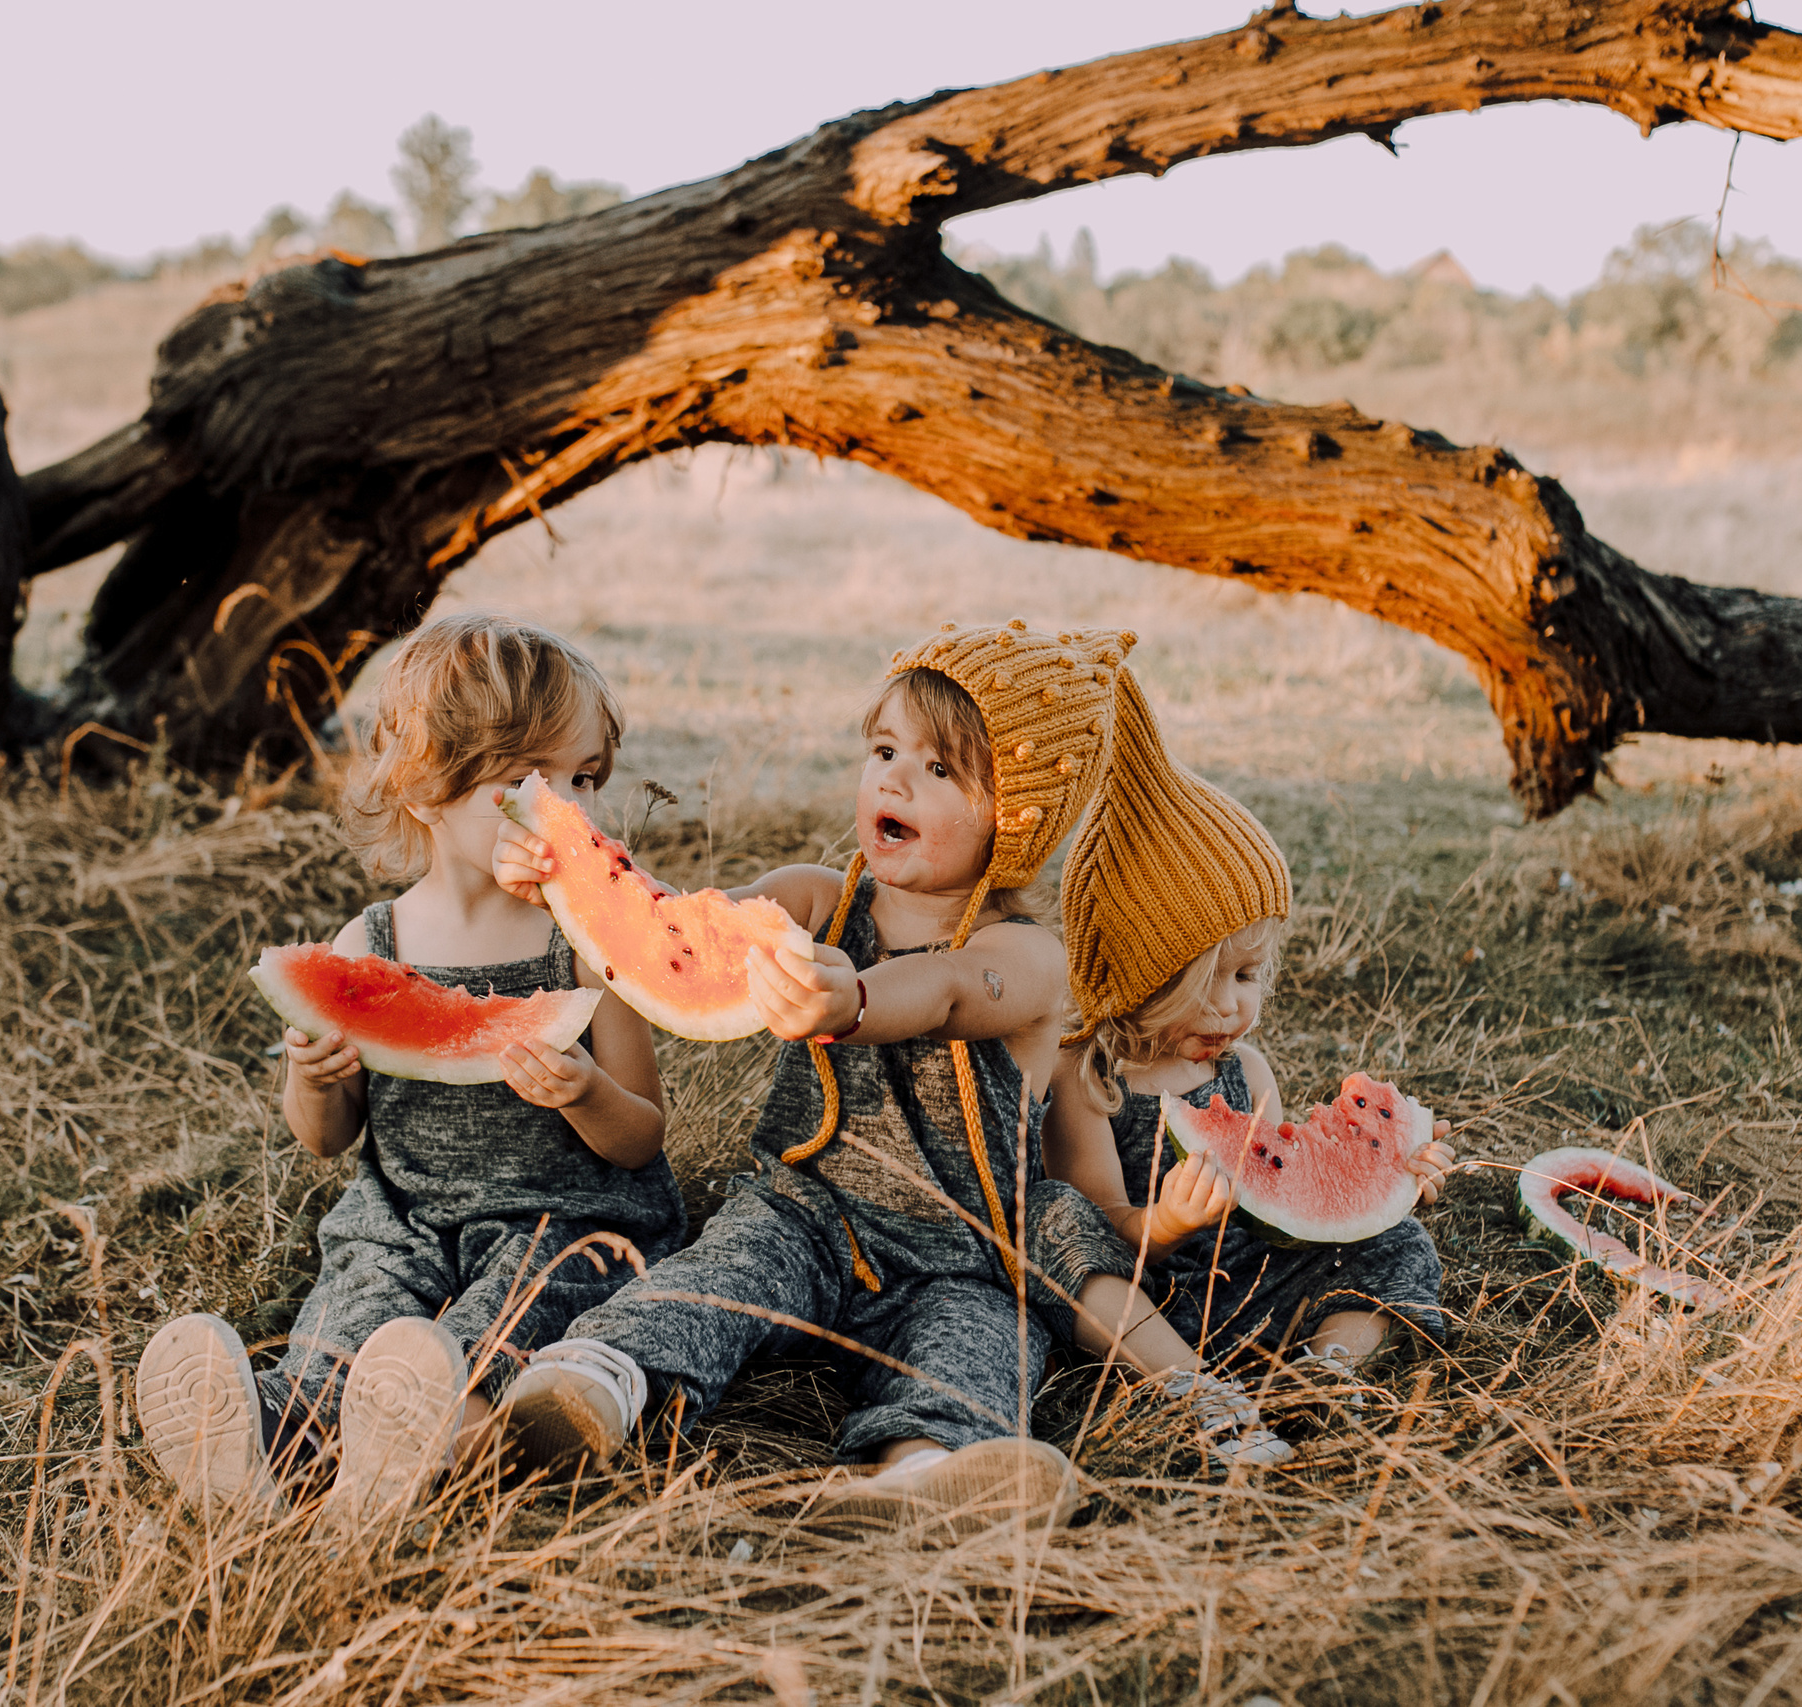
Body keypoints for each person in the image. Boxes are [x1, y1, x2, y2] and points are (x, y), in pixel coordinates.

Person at [488, 621, 1287, 1540]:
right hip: (804, 1207)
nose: (895, 780)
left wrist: (852, 997)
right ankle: (599, 1377)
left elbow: (949, 992)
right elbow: (674, 926)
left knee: (977, 1351)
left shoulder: (1027, 957)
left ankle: (923, 1472)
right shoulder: (820, 898)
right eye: (883, 750)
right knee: (719, 1275)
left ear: (1015, 814)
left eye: (941, 769)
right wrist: (565, 867)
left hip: (961, 1249)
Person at [134, 613, 683, 1528]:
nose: (569, 811)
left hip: (561, 1225)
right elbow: (328, 1138)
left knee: (481, 1342)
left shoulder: (586, 942)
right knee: (349, 1322)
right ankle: (258, 1436)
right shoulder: (372, 944)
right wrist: (313, 1075)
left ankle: (421, 1442)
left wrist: (586, 1091)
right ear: (428, 788)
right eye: (529, 783)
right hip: (404, 1222)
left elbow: (643, 1140)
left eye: (585, 780)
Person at [1048, 667, 1453, 1378]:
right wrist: (1166, 1224)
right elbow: (1096, 1233)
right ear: (1137, 975)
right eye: (1210, 983)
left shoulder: (1245, 1072)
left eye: (1248, 977)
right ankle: (1194, 1387)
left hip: (1261, 1288)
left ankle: (1325, 1374)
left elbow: (1292, 1203)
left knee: (1403, 1248)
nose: (1236, 1005)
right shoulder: (1089, 1080)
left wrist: (1384, 1178)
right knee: (1085, 1277)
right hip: (1155, 1304)